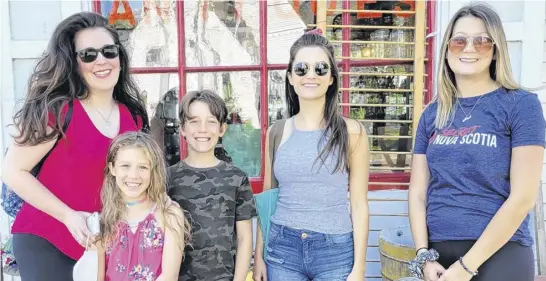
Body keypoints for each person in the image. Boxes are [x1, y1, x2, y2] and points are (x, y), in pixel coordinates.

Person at [1, 12, 149, 281]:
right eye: (88, 55)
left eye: (108, 51)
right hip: (48, 238)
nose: (101, 61)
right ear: (73, 63)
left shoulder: (134, 116)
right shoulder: (58, 112)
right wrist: (68, 216)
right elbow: (12, 171)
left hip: (105, 243)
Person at [408, 3, 545, 281]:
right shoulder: (432, 114)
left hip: (501, 255)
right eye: (459, 41)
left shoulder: (520, 105)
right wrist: (423, 255)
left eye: (482, 41)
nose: (469, 48)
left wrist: (466, 267)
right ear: (447, 48)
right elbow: (418, 193)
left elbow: (523, 198)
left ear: (495, 51)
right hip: (438, 259)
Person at [252, 31, 370, 281]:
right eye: (302, 68)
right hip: (282, 250)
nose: (311, 75)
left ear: (331, 79)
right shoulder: (277, 131)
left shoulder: (352, 132)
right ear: (290, 78)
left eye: (320, 68)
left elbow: (359, 205)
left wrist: (359, 268)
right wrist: (259, 255)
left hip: (335, 252)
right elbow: (267, 200)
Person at [167, 90, 256, 281]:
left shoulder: (237, 179)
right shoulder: (166, 178)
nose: (202, 129)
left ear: (222, 128)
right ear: (182, 128)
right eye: (194, 121)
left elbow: (244, 239)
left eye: (211, 121)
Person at [95, 131, 190, 281]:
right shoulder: (104, 220)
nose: (133, 175)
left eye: (143, 167)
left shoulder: (169, 215)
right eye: (125, 165)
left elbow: (169, 276)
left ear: (153, 171)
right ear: (112, 169)